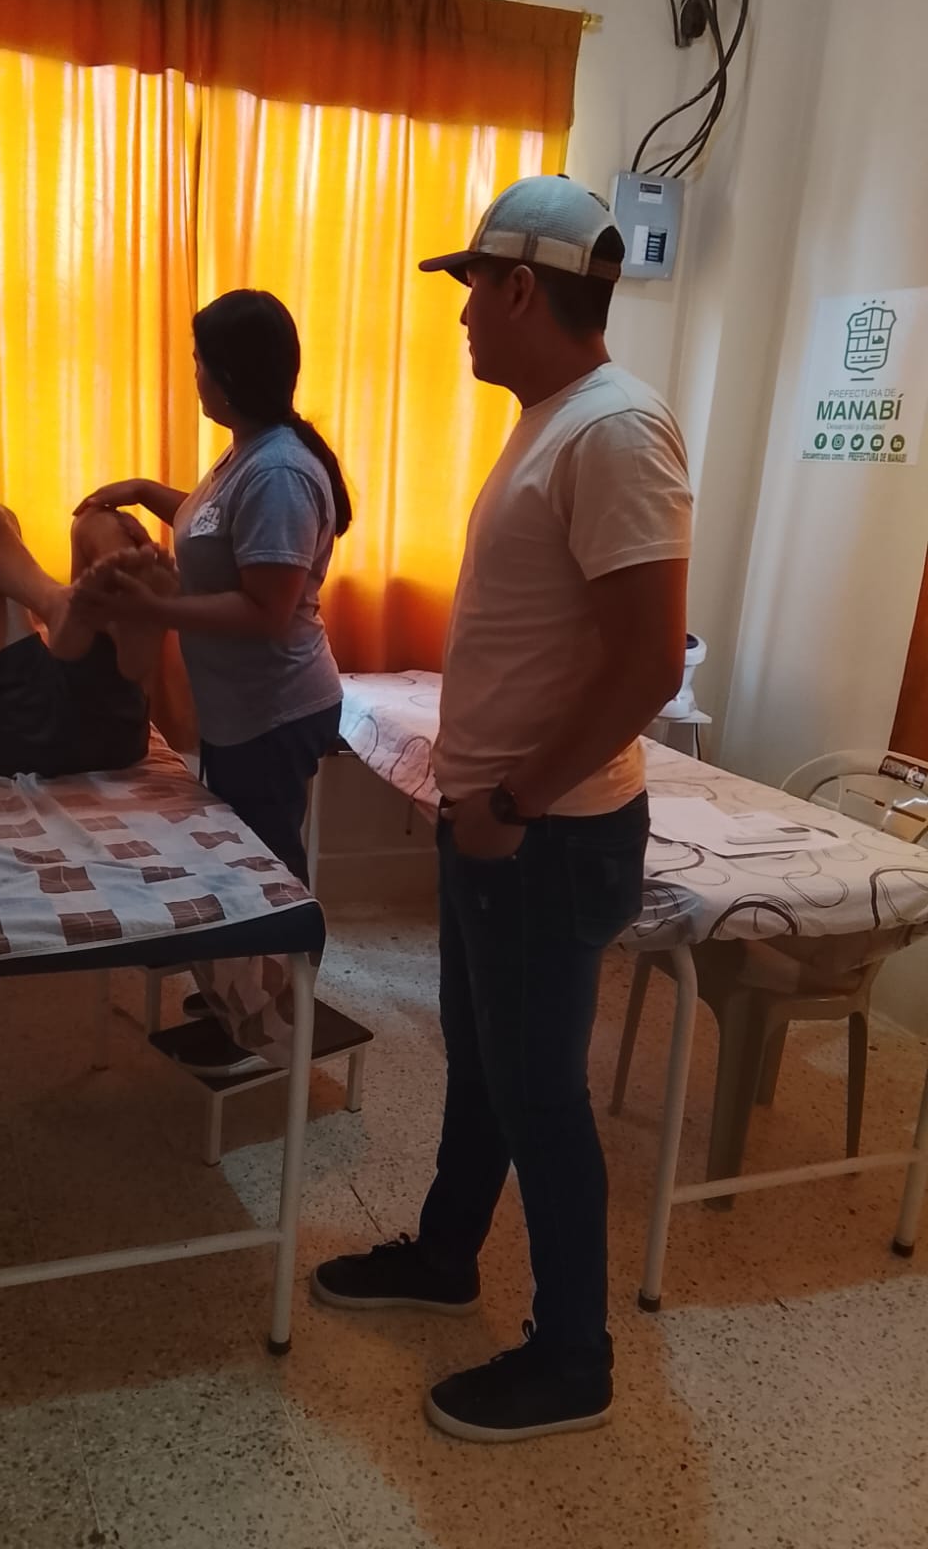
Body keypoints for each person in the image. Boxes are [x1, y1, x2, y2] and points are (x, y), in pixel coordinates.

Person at [310, 176, 693, 1443]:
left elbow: (648, 664)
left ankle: (574, 1358)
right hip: (501, 822)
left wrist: (517, 801)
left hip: (548, 833)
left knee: (539, 1097)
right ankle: (446, 1253)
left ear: (523, 288)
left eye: (472, 289)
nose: (463, 314)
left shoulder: (616, 431)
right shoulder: (554, 423)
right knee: (483, 1065)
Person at [76, 290, 351, 1072]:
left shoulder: (280, 472)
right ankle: (246, 991)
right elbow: (209, 528)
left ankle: (279, 1019)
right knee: (242, 856)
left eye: (200, 361)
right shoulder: (246, 452)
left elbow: (266, 610)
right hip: (241, 710)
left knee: (268, 865)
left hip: (277, 708)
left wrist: (155, 609)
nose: (192, 373)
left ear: (229, 373)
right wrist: (145, 491)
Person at [0, 499, 175, 778]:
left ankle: (109, 604)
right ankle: (128, 602)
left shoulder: (51, 632)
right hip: (114, 730)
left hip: (28, 720)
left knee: (94, 519)